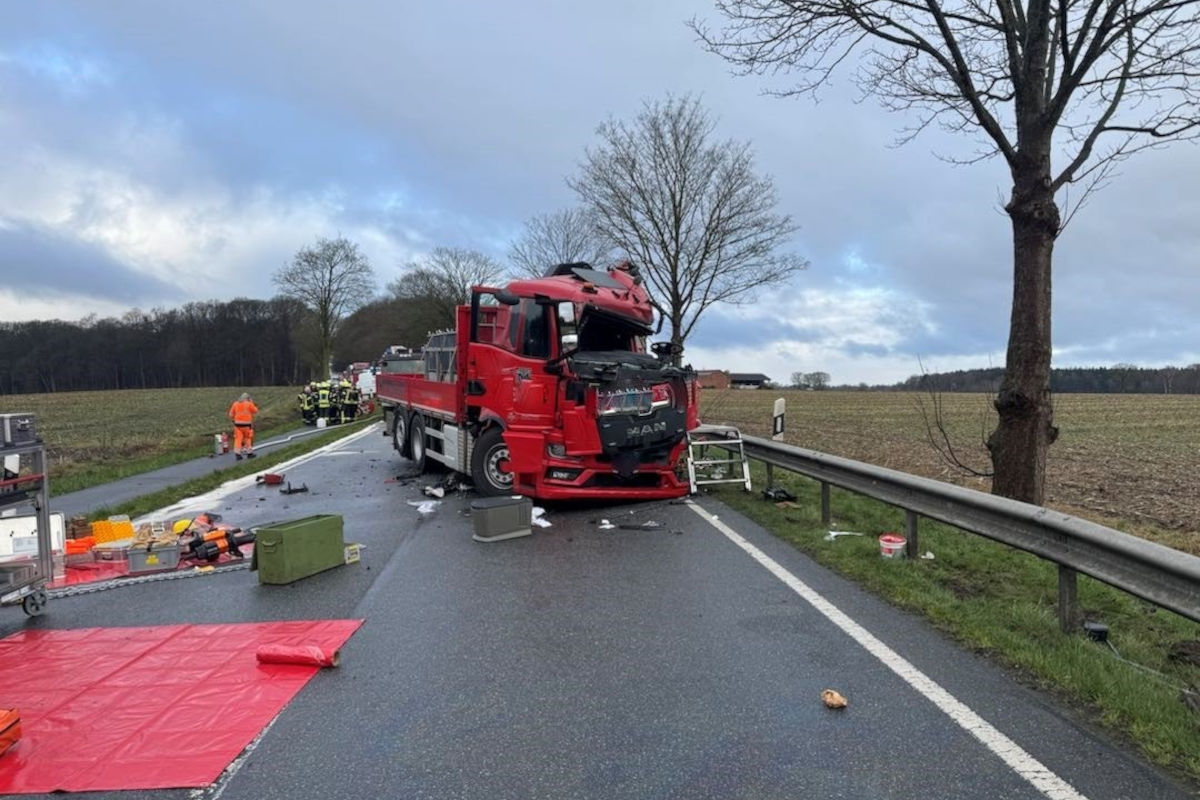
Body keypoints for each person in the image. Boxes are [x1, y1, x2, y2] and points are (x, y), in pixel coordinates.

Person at [228, 392, 259, 460]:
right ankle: (249, 453)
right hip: (246, 425)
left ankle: (237, 454)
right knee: (247, 438)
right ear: (248, 398)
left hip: (237, 425)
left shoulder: (235, 403)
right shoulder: (249, 403)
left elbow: (231, 414)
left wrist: (234, 420)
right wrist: (252, 403)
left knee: (238, 439)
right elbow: (255, 411)